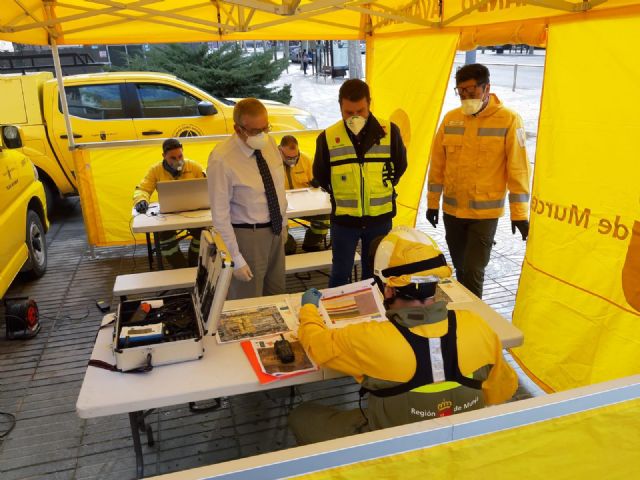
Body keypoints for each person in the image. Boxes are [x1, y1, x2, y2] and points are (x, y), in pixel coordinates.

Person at [288, 226, 518, 444]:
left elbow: (315, 346)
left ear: (388, 289)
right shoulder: (476, 326)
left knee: (302, 415)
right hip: (456, 437)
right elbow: (500, 392)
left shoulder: (369, 338)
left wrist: (309, 309)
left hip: (389, 445)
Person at [426, 63, 531, 299]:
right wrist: (432, 202)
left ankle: (476, 322)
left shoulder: (509, 120)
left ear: (486, 89)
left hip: (484, 215)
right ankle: (466, 313)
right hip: (452, 212)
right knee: (461, 269)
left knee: (474, 270)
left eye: (471, 92)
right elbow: (438, 165)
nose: (465, 97)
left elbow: (519, 170)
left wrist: (520, 214)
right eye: (460, 92)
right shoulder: (451, 119)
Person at [313, 79, 407, 287]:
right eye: (348, 112)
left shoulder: (390, 132)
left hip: (379, 219)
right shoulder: (327, 138)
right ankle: (337, 315)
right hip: (344, 221)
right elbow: (321, 175)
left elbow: (400, 166)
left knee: (374, 274)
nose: (354, 117)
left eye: (361, 110)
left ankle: (373, 317)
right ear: (340, 107)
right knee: (340, 274)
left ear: (369, 104)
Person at [207, 98, 287, 300]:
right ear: (238, 128)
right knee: (249, 302)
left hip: (275, 231)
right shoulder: (222, 158)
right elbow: (220, 215)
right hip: (247, 237)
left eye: (265, 127)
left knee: (277, 295)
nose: (261, 135)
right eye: (254, 131)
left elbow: (277, 188)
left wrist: (283, 224)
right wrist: (235, 257)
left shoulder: (269, 142)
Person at [133, 138, 205, 268]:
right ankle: (181, 269)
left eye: (180, 156)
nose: (178, 160)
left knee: (204, 234)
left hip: (195, 213)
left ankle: (195, 266)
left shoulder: (194, 166)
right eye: (173, 158)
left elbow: (209, 185)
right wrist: (141, 200)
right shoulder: (155, 170)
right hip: (168, 216)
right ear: (164, 156)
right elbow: (142, 189)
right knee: (165, 238)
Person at [279, 135, 330, 255]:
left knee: (324, 219)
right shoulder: (270, 162)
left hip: (305, 205)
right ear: (280, 151)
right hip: (281, 207)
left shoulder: (306, 160)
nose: (292, 159)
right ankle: (289, 245)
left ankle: (310, 243)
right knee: (278, 230)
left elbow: (315, 182)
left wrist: (316, 182)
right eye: (288, 157)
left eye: (295, 156)